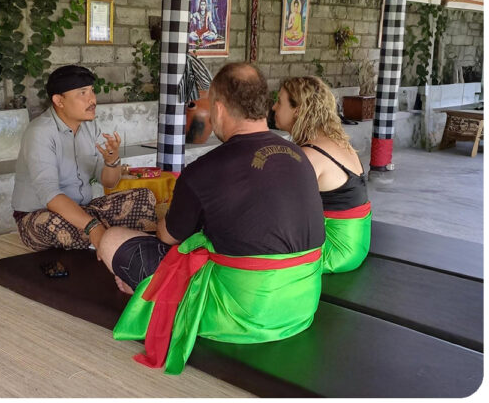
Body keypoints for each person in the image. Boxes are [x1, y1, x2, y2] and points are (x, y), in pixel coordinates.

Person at [98, 62, 325, 374]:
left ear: (218, 109)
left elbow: (168, 237)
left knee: (112, 239)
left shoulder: (205, 169)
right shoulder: (298, 155)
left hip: (241, 313)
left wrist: (165, 217)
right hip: (300, 303)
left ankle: (150, 290)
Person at [11, 65, 156, 251]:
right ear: (59, 101)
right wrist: (92, 226)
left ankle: (102, 238)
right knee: (61, 226)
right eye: (82, 93)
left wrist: (112, 161)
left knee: (144, 198)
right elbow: (50, 194)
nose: (92, 99)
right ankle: (105, 237)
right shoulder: (40, 132)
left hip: (83, 210)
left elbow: (108, 182)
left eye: (92, 91)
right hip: (39, 216)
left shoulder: (90, 127)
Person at [273, 75, 371, 274]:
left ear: (298, 110)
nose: (273, 108)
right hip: (355, 245)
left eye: (279, 102)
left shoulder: (310, 155)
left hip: (333, 251)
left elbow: (282, 211)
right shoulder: (334, 142)